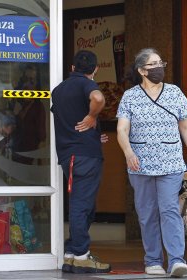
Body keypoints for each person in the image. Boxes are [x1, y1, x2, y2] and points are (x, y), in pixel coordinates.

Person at [116, 48, 187, 278]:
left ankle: (176, 260)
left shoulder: (174, 92)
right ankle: (153, 260)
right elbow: (122, 129)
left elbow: (185, 126)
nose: (159, 67)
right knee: (147, 213)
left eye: (160, 62)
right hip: (139, 164)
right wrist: (128, 152)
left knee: (170, 209)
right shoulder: (130, 96)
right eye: (153, 64)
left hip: (171, 162)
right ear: (142, 70)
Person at [51, 50, 111, 274]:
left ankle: (71, 255)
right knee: (81, 205)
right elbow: (98, 99)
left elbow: (67, 119)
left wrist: (94, 134)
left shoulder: (58, 90)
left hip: (70, 154)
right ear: (95, 70)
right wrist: (93, 116)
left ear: (73, 67)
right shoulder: (85, 84)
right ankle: (82, 255)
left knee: (85, 205)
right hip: (84, 155)